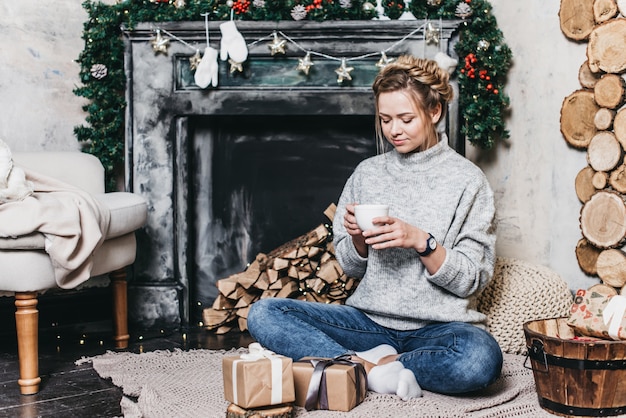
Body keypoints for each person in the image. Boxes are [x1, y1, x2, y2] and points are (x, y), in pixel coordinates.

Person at [247, 55, 502, 399]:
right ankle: (366, 367)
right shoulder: (367, 173)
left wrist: (420, 241)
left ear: (434, 112)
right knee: (263, 313)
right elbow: (350, 267)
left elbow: (473, 278)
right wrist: (356, 238)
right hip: (367, 323)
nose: (394, 130)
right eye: (385, 120)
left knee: (479, 360)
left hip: (438, 329)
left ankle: (365, 366)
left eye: (406, 119)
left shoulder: (468, 181)